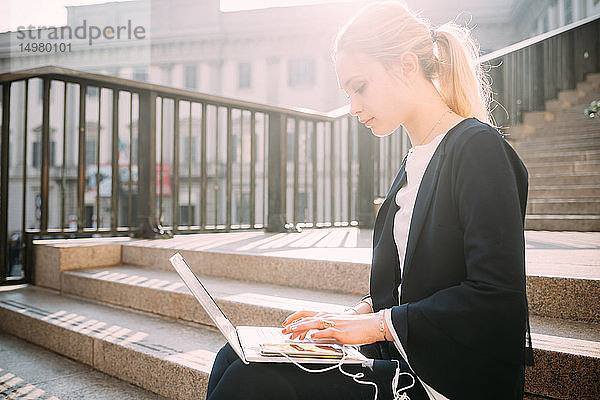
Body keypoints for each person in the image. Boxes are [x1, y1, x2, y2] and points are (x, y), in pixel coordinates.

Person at [206, 1, 532, 399]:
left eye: (359, 87)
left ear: (407, 66)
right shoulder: (415, 161)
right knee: (235, 355)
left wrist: (376, 325)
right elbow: (413, 287)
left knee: (251, 379)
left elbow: (497, 298)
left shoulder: (478, 150)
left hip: (446, 380)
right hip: (405, 361)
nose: (353, 107)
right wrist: (348, 317)